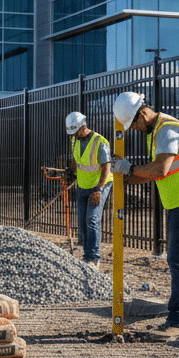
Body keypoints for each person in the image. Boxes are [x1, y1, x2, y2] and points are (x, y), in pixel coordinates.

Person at [111, 92, 179, 341]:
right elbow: (152, 173)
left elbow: (161, 167)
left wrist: (131, 168)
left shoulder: (167, 129)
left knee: (178, 258)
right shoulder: (157, 130)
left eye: (134, 124)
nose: (135, 129)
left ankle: (178, 322)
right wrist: (124, 174)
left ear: (143, 113)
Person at [66, 111, 111, 271]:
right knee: (82, 222)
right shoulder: (74, 140)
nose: (74, 135)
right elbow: (79, 162)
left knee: (92, 219)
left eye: (75, 131)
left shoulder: (99, 141)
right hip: (82, 184)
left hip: (99, 185)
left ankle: (94, 259)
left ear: (83, 126)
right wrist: (70, 170)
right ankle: (86, 258)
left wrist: (99, 189)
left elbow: (106, 167)